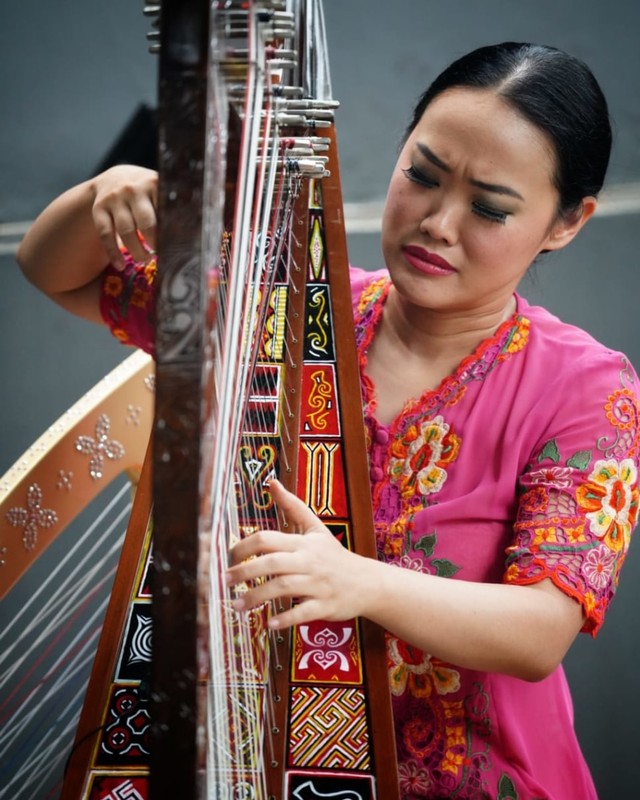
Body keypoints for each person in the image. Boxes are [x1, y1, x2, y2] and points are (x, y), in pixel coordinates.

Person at [17, 41, 639, 800]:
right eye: (422, 174)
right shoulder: (287, 310)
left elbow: (542, 630)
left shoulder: (584, 385)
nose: (438, 222)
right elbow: (57, 270)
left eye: (489, 208)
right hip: (266, 766)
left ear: (565, 223)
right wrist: (104, 194)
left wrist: (354, 582)